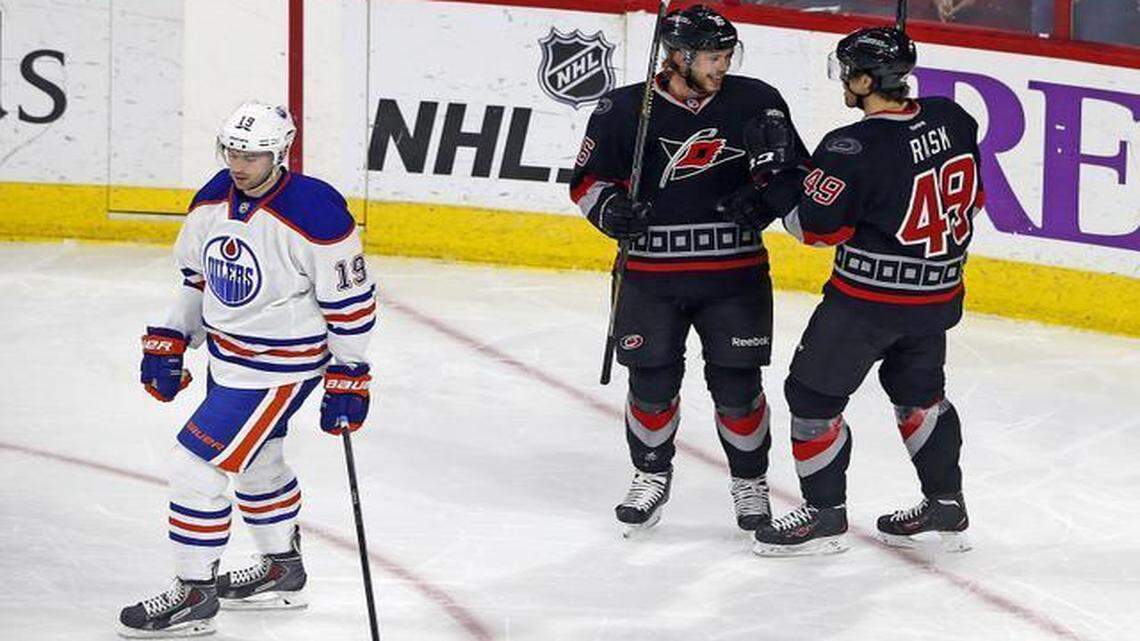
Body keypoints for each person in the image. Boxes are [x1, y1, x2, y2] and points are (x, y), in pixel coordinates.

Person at [118, 102, 376, 636]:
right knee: (258, 461)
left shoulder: (317, 211)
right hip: (227, 357)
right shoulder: (213, 197)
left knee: (195, 465)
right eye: (232, 151)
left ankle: (194, 595)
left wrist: (351, 373)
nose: (239, 163)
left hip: (281, 367)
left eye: (252, 154)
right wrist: (172, 336)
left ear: (280, 153)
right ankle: (282, 572)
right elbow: (197, 277)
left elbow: (351, 304)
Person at [569, 5, 810, 535]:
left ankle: (750, 482)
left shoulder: (758, 101)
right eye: (711, 57)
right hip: (651, 275)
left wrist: (765, 199)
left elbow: (795, 174)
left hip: (735, 275)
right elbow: (586, 182)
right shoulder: (624, 109)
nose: (722, 66)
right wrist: (610, 210)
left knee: (738, 386)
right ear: (677, 57)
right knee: (651, 383)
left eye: (727, 56)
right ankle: (650, 474)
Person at [742, 26, 983, 556]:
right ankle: (946, 501)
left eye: (849, 71)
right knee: (921, 397)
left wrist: (777, 173)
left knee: (811, 398)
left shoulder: (852, 146)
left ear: (868, 79)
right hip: (937, 298)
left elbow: (814, 229)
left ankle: (824, 513)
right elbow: (972, 200)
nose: (844, 81)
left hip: (868, 304)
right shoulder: (953, 117)